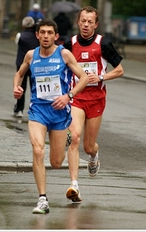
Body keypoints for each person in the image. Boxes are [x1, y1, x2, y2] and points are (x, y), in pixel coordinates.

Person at [13, 19, 88, 214]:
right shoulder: (31, 55)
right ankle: (42, 199)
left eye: (49, 33)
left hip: (59, 112)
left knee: (56, 162)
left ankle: (66, 138)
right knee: (38, 150)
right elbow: (19, 73)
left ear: (56, 36)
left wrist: (68, 96)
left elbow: (84, 78)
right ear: (37, 35)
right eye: (42, 32)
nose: (46, 36)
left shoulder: (64, 54)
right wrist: (16, 88)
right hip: (38, 110)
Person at [63, 6, 124, 202]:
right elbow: (60, 67)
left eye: (90, 22)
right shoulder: (69, 44)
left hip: (96, 99)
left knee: (88, 146)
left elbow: (120, 70)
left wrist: (99, 77)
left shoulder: (103, 44)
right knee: (74, 138)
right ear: (78, 22)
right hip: (77, 98)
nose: (86, 25)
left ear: (96, 24)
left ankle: (93, 155)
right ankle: (74, 186)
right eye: (83, 21)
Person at [13, 16, 40, 118]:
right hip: (35, 64)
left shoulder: (20, 35)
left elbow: (17, 43)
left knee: (21, 87)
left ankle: (19, 110)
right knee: (34, 88)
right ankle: (34, 109)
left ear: (23, 25)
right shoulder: (36, 36)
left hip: (21, 63)